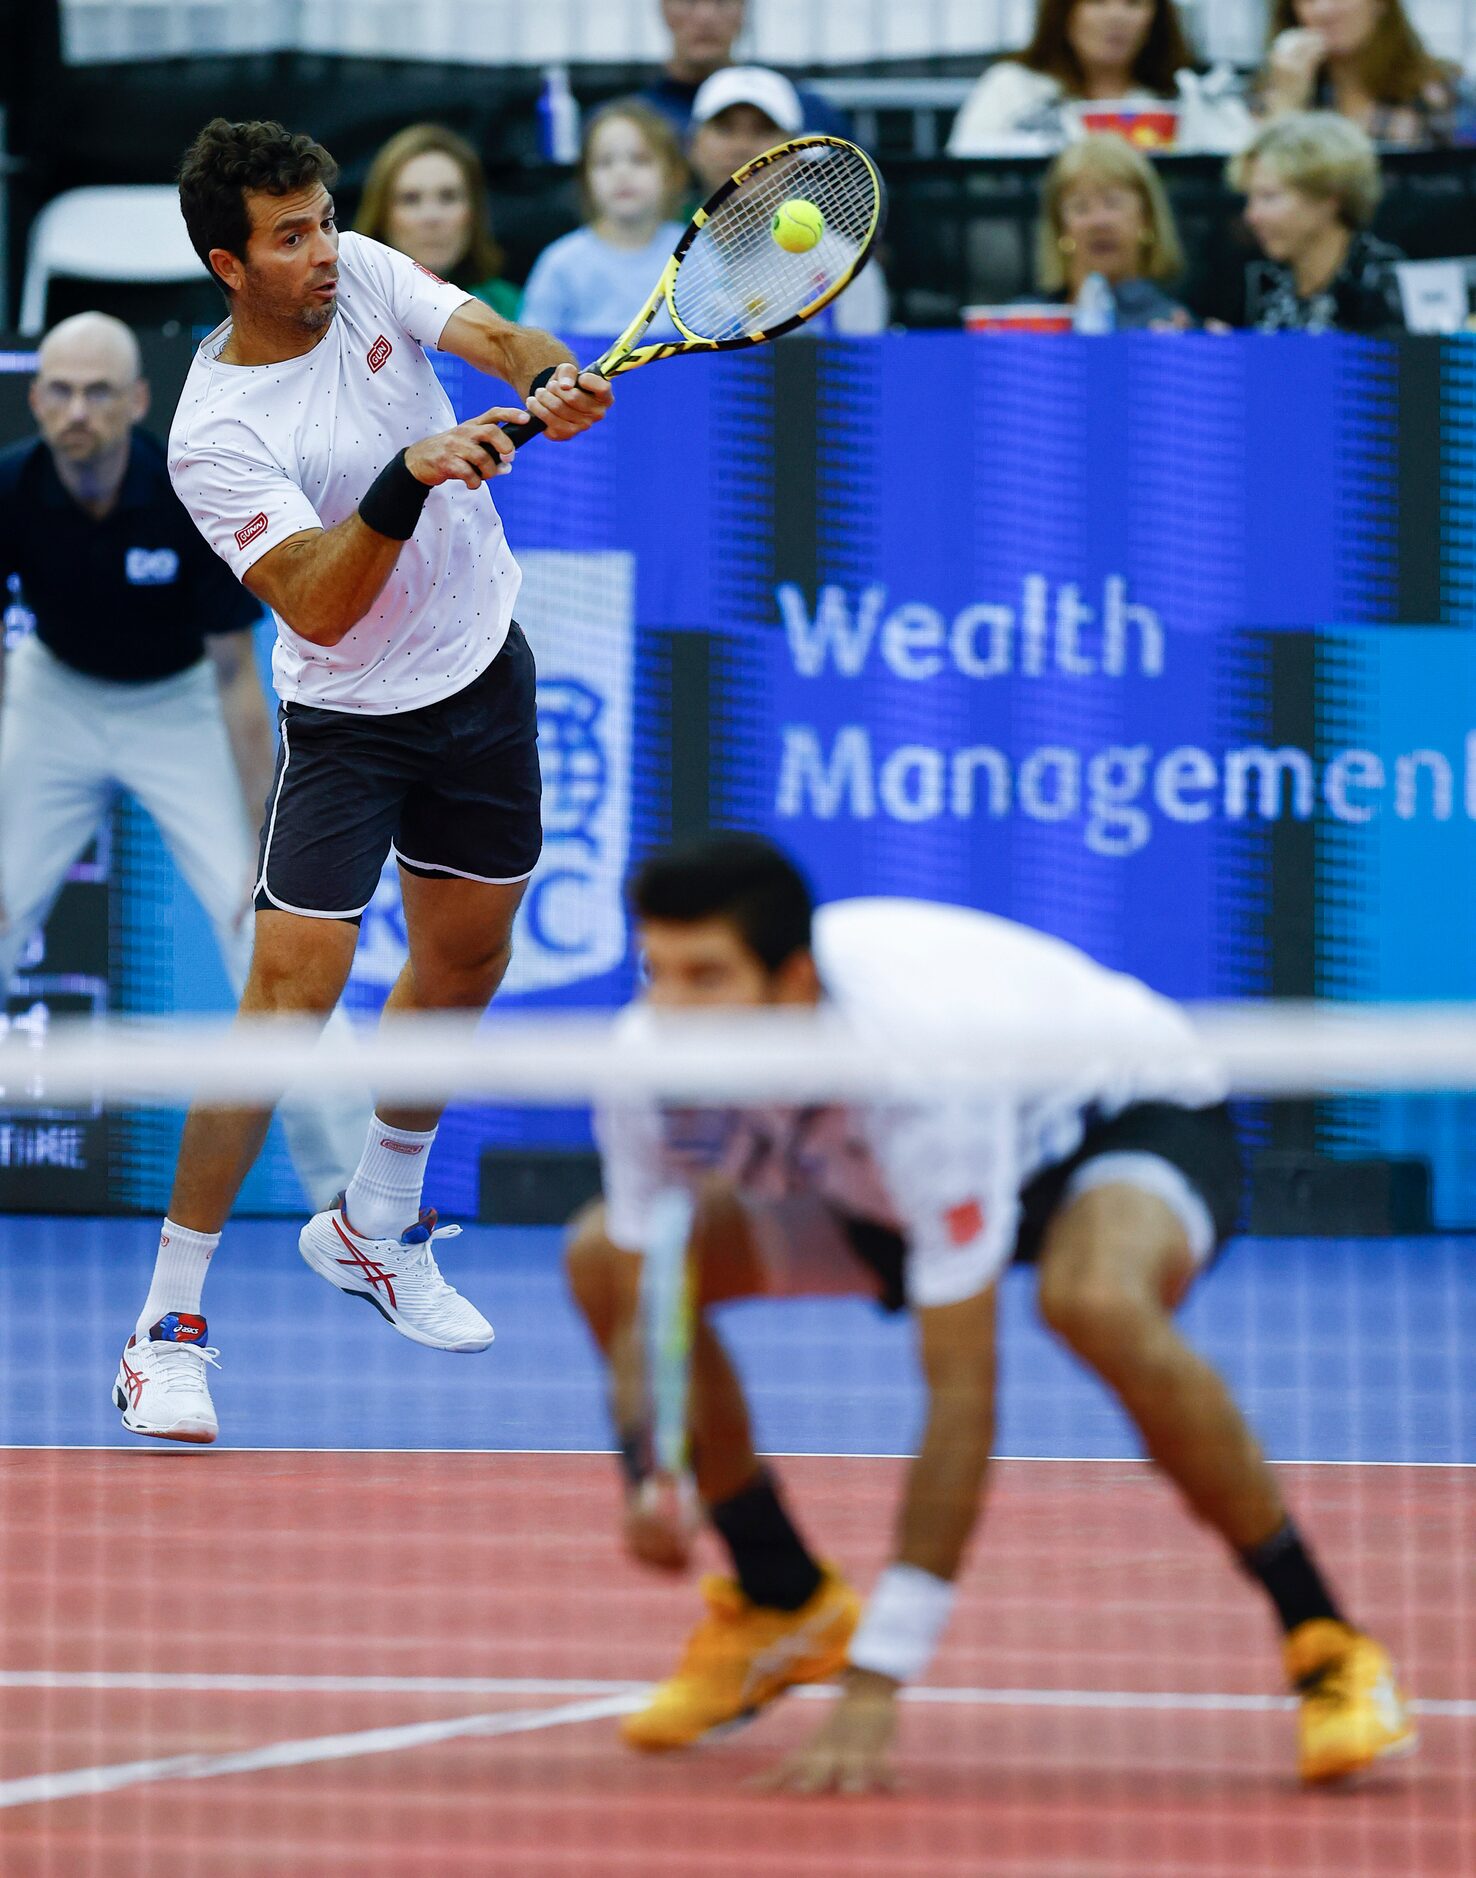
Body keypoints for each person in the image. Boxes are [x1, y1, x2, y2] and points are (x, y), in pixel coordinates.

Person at [566, 834, 1416, 1793]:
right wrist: (652, 1465)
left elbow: (963, 1394)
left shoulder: (922, 1062)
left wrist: (879, 1678)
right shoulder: (647, 1063)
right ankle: (781, 1597)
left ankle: (1327, 1642)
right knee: (601, 1254)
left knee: (1092, 1300)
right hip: (871, 1183)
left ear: (792, 978)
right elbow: (651, 1287)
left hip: (1111, 1123)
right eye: (657, 973)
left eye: (707, 978)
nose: (671, 1008)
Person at [112, 116, 612, 1446]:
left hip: (481, 673)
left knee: (463, 957)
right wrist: (406, 474)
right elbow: (321, 610)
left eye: (325, 218)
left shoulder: (369, 275)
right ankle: (166, 1324)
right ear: (229, 262)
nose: (322, 250)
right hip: (348, 722)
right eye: (289, 237)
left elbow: (502, 346)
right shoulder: (212, 433)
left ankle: (377, 1228)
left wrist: (555, 374)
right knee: (292, 995)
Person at [0, 311, 367, 1210]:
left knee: (272, 938)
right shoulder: (9, 486)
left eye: (98, 391)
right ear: (37, 398)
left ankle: (357, 1205)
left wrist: (260, 838)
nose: (77, 408)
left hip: (182, 705)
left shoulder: (186, 493)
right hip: (56, 692)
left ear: (135, 401)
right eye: (60, 389)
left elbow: (236, 677)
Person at [688, 67, 890, 335]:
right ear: (693, 146)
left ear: (796, 152)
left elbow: (862, 371)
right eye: (725, 130)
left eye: (763, 131)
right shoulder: (657, 256)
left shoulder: (845, 267)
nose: (742, 147)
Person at [948, 0, 1252, 156]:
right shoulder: (1012, 86)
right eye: (1097, 1)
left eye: (1133, 2)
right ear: (1063, 11)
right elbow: (962, 182)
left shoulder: (1191, 91)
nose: (1116, 16)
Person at [520, 102, 688, 340]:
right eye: (604, 162)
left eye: (640, 160)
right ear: (585, 179)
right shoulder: (560, 262)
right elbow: (534, 350)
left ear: (673, 175)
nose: (621, 172)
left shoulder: (696, 252)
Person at [1233, 112, 1405, 333]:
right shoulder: (1264, 282)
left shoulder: (1381, 283)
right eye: (1250, 198)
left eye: (1269, 196)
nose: (1251, 215)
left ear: (1328, 198)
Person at [355, 123, 522, 322]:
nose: (431, 217)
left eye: (448, 197)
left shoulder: (510, 306)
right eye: (410, 199)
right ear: (382, 215)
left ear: (474, 212)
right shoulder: (345, 307)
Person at [1259, 0, 1476, 150]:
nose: (1324, 10)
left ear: (1381, 3)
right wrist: (1286, 104)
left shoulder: (1440, 92)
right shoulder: (1271, 90)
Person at [639, 0, 849, 141]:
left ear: (744, 11)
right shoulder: (630, 124)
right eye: (689, 0)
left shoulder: (809, 112)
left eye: (723, 1)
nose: (706, 16)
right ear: (663, 8)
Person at [1036, 134, 1190, 326]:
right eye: (1080, 207)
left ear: (1147, 218)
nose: (1099, 222)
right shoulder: (1022, 325)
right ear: (1060, 226)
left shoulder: (1179, 327)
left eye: (1113, 203)